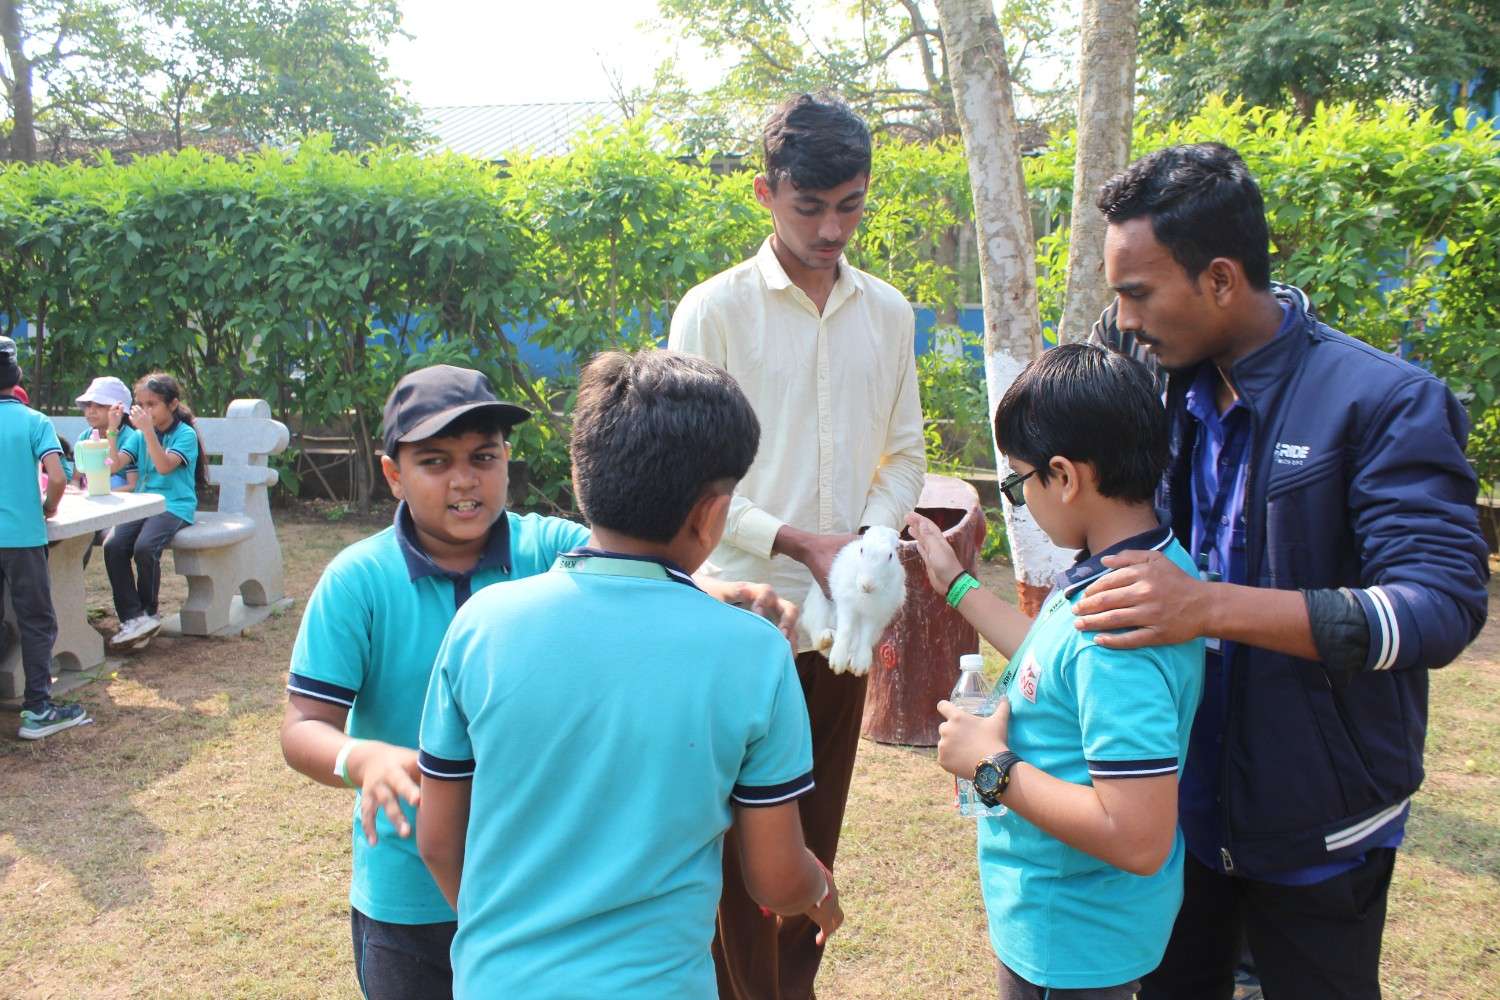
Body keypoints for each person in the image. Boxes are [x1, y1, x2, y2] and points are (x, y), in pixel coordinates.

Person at [1076, 143, 1489, 1000]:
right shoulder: (1157, 390)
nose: (1121, 319)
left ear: (1222, 279)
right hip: (1176, 814)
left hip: (1320, 830)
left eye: (1137, 292)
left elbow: (1440, 607)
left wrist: (1209, 607)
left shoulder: (1383, 402)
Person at [281, 363, 797, 1000]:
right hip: (409, 891)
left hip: (535, 891)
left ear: (506, 460)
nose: (465, 480)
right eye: (436, 462)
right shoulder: (356, 581)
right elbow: (303, 727)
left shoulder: (542, 544)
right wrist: (361, 757)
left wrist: (720, 593)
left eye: (484, 456)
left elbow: (632, 562)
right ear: (393, 474)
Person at [416, 349, 842, 1000]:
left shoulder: (482, 625)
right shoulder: (755, 654)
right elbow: (774, 877)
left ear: (583, 477)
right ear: (712, 514)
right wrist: (818, 890)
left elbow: (440, 842)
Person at [668, 92, 925, 999]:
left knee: (817, 832)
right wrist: (796, 541)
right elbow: (688, 474)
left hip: (838, 634)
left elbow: (904, 455)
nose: (830, 228)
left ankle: (792, 986)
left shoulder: (889, 313)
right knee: (734, 843)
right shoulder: (713, 312)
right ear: (763, 192)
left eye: (849, 205)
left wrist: (865, 546)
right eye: (808, 206)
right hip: (738, 618)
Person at [906, 344, 1203, 999]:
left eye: (1016, 482)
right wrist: (955, 585)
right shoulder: (1144, 574)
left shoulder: (1116, 625)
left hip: (1070, 941)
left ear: (1064, 476)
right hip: (1082, 928)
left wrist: (992, 766)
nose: (1018, 498)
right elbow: (1050, 657)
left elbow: (1138, 835)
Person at [0, 336, 89, 739]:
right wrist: (49, 507)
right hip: (21, 537)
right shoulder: (35, 422)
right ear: (16, 375)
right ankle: (38, 708)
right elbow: (56, 476)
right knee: (35, 620)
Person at [104, 372, 204, 651]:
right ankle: (132, 619)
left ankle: (148, 612)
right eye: (141, 404)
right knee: (113, 545)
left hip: (174, 505)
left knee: (145, 547)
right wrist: (113, 429)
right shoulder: (137, 435)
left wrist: (148, 432)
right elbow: (113, 466)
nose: (145, 410)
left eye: (152, 404)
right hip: (142, 503)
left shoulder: (184, 435)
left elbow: (163, 466)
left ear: (172, 405)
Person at [73, 376, 139, 493]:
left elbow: (133, 485)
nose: (91, 411)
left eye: (100, 405)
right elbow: (76, 479)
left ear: (119, 410)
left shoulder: (131, 438)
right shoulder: (84, 437)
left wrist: (101, 493)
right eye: (88, 405)